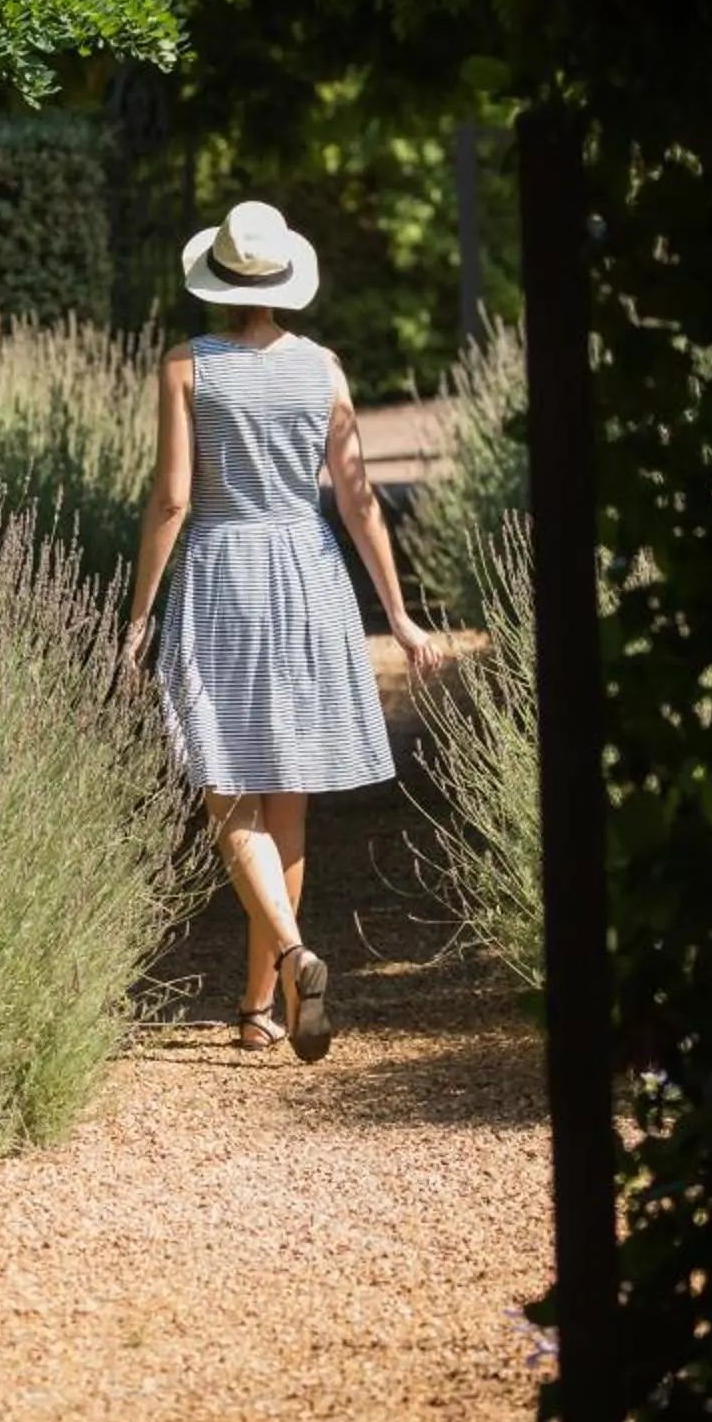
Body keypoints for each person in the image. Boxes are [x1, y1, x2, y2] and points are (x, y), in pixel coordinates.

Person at [120, 200, 443, 1061]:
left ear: (216, 282)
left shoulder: (187, 366)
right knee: (286, 796)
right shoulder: (327, 370)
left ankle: (293, 961)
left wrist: (140, 611)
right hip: (309, 574)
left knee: (226, 786)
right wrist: (401, 614)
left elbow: (174, 500)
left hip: (223, 573)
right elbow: (359, 502)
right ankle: (259, 1009)